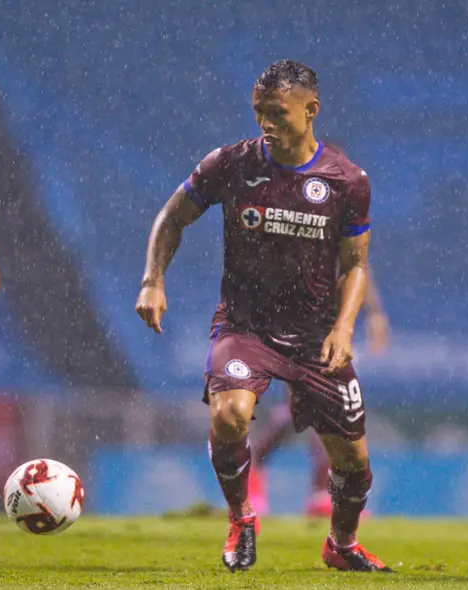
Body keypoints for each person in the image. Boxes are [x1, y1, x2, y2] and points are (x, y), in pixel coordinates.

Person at [136, 59, 391, 572]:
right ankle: (241, 519)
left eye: (277, 112)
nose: (266, 123)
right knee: (229, 415)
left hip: (316, 338)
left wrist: (345, 328)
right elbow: (172, 216)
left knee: (354, 464)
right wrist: (152, 279)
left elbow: (357, 264)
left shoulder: (346, 180)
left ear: (311, 110)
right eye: (259, 112)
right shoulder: (231, 164)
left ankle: (341, 545)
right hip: (244, 327)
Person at [249, 260, 390, 517]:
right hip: (295, 332)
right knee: (302, 410)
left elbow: (357, 264)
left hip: (329, 336)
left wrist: (375, 313)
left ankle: (318, 493)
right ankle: (255, 477)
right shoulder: (298, 242)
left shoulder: (339, 237)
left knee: (322, 411)